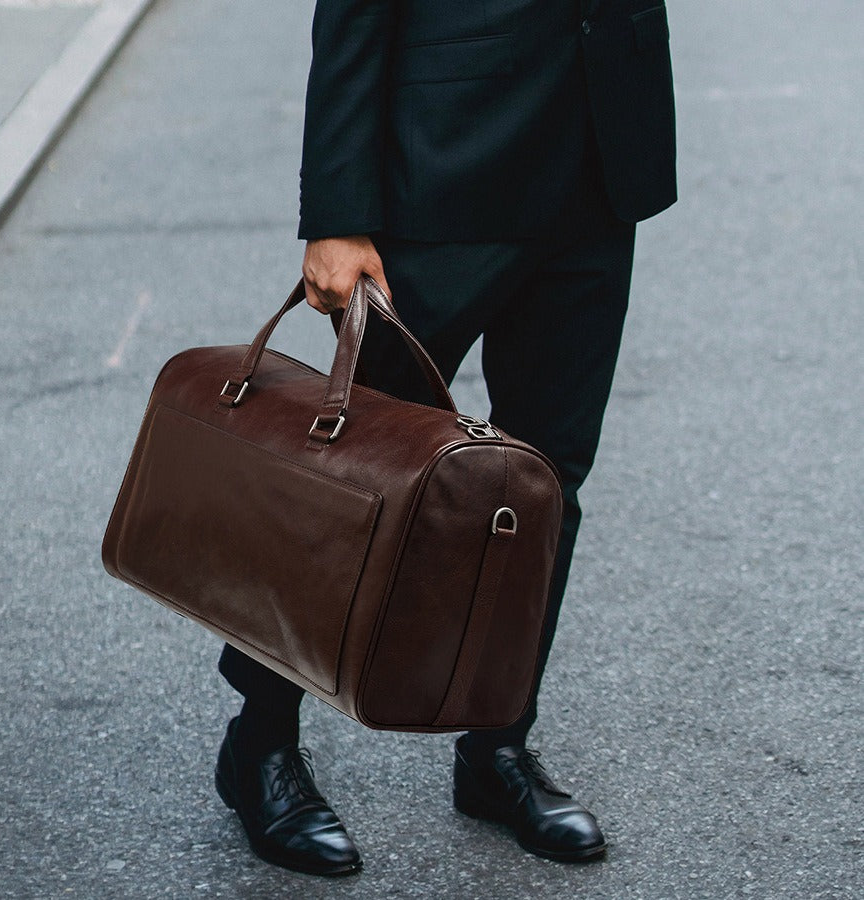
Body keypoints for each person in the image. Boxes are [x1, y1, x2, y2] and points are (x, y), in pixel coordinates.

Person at [214, 0, 676, 876]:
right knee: (348, 480)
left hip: (597, 159)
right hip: (441, 166)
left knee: (545, 484)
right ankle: (261, 742)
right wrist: (338, 212)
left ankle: (498, 748)